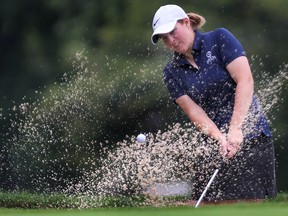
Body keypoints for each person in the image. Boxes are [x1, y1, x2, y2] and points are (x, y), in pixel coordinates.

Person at [151, 4, 277, 203]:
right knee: (205, 204)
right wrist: (219, 138)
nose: (171, 40)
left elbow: (245, 80)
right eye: (164, 38)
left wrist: (235, 129)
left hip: (250, 135)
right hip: (214, 144)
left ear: (186, 22)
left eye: (172, 32)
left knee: (247, 205)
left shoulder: (219, 39)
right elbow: (194, 112)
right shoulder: (171, 71)